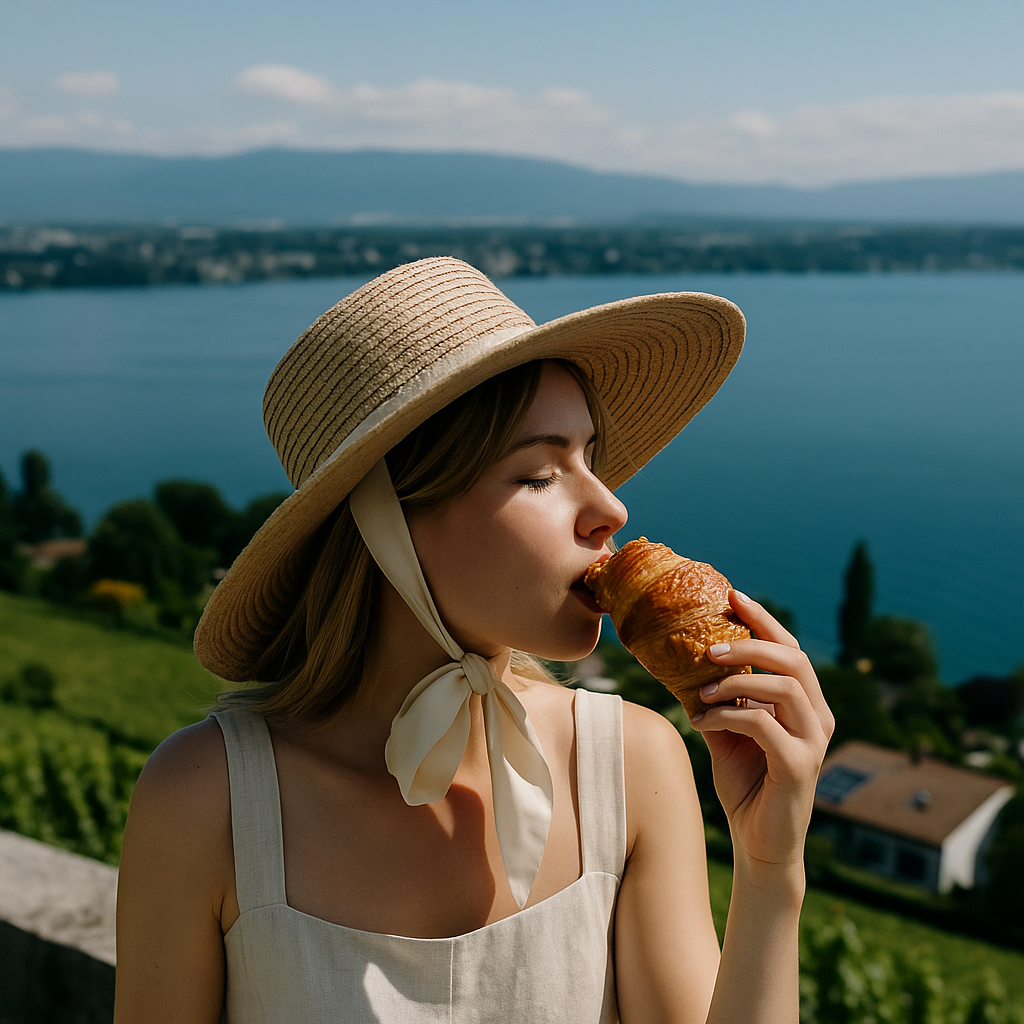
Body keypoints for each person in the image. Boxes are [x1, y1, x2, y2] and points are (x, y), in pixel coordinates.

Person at [114, 257, 833, 1023]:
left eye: (589, 458)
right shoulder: (208, 798)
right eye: (536, 475)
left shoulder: (629, 762)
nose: (610, 509)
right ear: (385, 523)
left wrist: (769, 863)